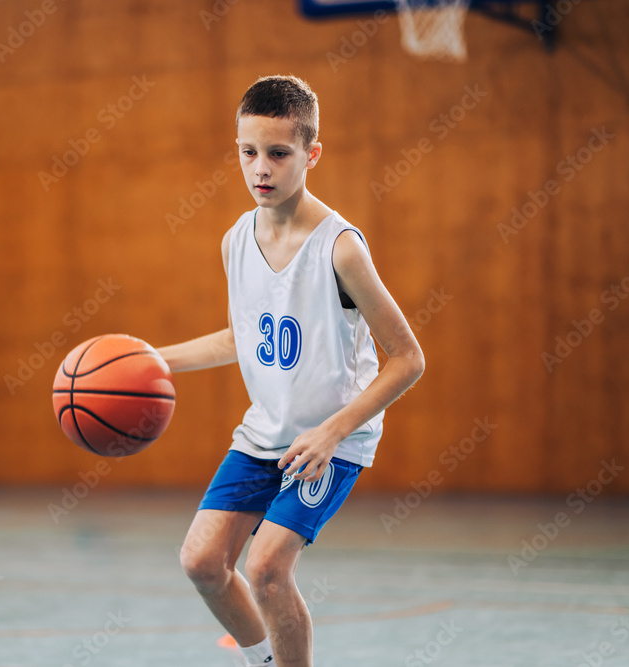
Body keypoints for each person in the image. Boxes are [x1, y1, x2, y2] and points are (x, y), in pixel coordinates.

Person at [156, 75, 425, 667]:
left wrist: (332, 432)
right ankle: (264, 662)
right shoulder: (235, 240)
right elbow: (242, 337)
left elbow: (408, 358)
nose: (261, 168)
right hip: (265, 433)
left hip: (332, 440)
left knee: (267, 570)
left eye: (278, 153)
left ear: (311, 154)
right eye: (248, 152)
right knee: (202, 562)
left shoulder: (340, 248)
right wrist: (153, 360)